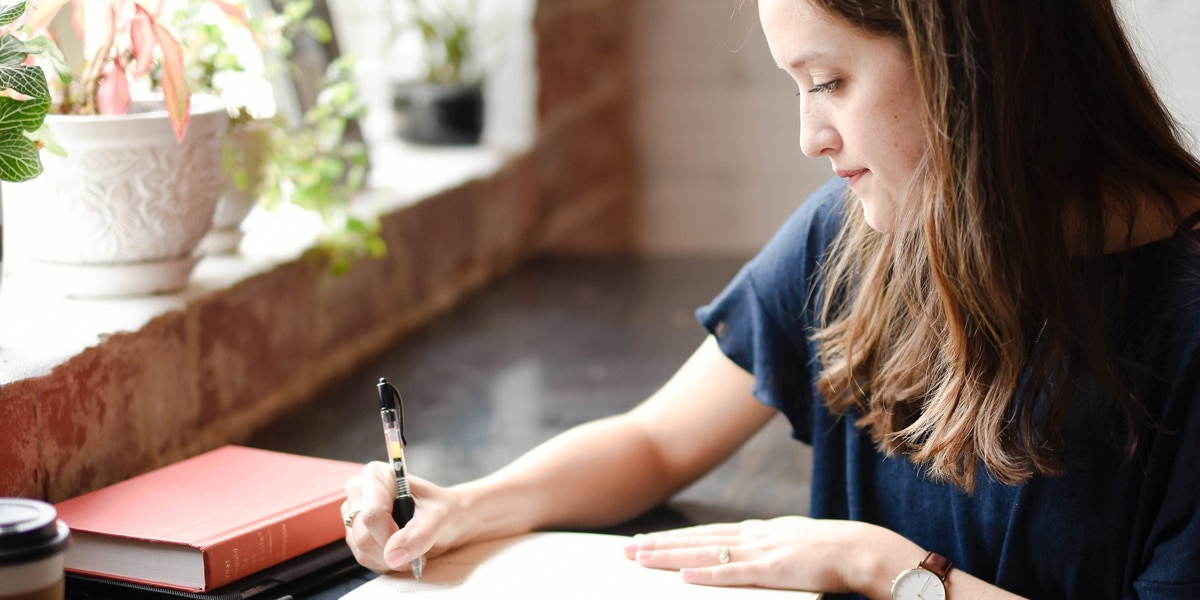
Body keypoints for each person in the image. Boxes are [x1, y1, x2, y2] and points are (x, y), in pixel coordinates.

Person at [342, 0, 1200, 597]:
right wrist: (463, 507)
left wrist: (884, 567)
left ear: (968, 63)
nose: (808, 136)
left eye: (827, 81)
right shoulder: (858, 232)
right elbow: (654, 439)